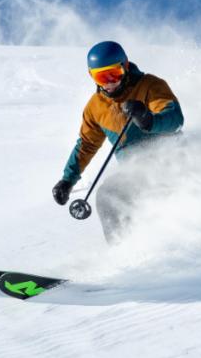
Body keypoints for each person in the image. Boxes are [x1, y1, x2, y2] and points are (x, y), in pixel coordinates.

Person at [52, 41, 184, 239]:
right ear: (92, 76)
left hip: (171, 160)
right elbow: (87, 144)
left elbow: (175, 119)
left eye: (114, 73)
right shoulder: (96, 107)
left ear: (126, 66)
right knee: (109, 196)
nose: (109, 82)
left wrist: (148, 119)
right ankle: (124, 252)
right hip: (135, 171)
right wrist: (67, 180)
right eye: (101, 76)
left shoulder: (150, 85)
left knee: (166, 203)